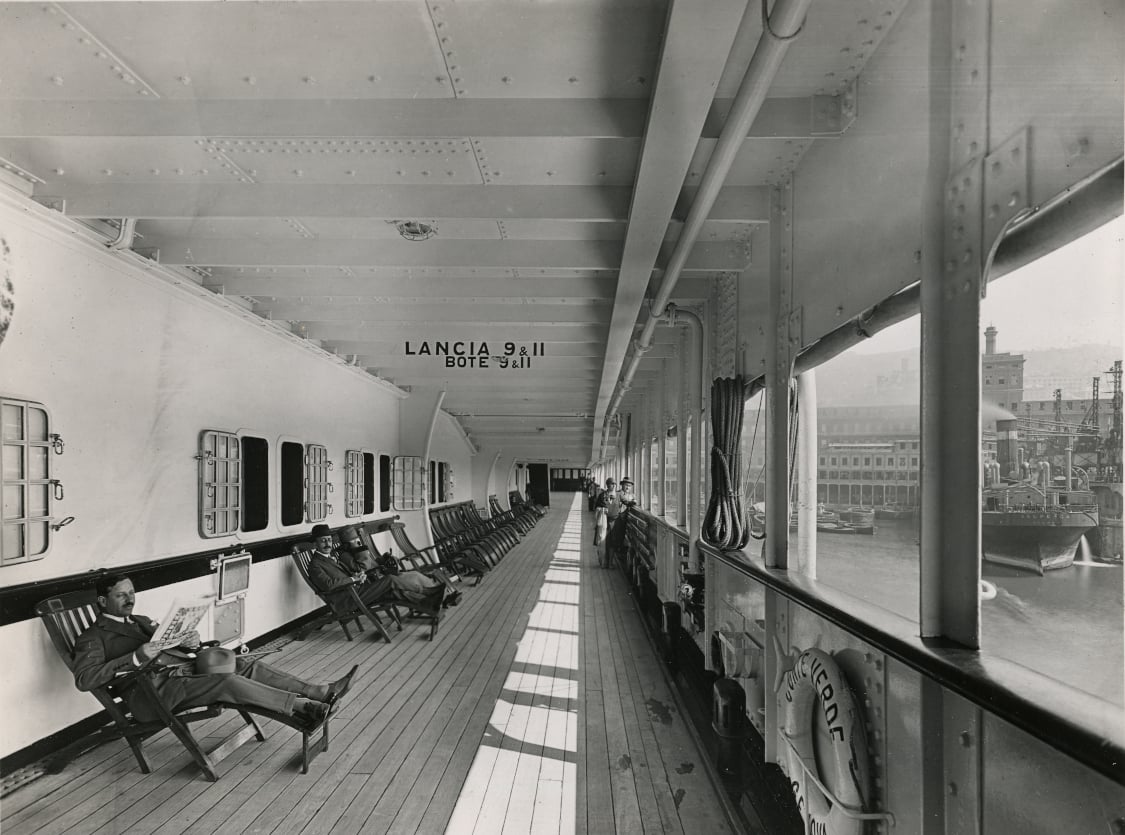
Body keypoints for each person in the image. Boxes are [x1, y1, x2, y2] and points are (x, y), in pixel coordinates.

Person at [73, 575, 355, 732]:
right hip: (152, 696)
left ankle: (317, 691)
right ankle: (302, 707)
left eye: (131, 592)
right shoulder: (93, 637)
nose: (130, 599)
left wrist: (190, 643)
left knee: (242, 664)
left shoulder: (142, 621)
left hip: (182, 676)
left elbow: (169, 646)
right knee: (225, 681)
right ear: (102, 601)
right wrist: (135, 657)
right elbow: (84, 679)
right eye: (121, 595)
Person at [307, 525, 448, 613]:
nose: (327, 543)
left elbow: (349, 573)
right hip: (347, 599)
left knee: (392, 591)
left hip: (358, 590)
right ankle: (428, 592)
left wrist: (358, 576)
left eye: (329, 539)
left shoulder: (330, 558)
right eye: (323, 540)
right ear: (315, 544)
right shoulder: (315, 565)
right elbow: (328, 585)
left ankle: (428, 603)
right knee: (390, 580)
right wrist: (352, 579)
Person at [337, 525, 460, 608]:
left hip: (383, 574)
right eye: (354, 541)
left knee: (416, 575)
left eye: (357, 539)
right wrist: (359, 549)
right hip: (377, 581)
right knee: (414, 578)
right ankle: (443, 597)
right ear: (348, 544)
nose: (358, 542)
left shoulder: (357, 551)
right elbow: (362, 568)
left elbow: (372, 563)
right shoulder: (345, 556)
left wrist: (383, 558)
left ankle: (444, 596)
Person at [606, 477, 636, 567]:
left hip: (623, 522)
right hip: (616, 520)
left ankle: (613, 560)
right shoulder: (618, 494)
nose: (627, 487)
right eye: (626, 485)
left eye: (629, 486)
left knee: (618, 541)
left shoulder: (632, 496)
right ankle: (610, 562)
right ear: (622, 485)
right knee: (612, 541)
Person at [593, 478, 618, 567]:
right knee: (602, 541)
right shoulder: (602, 495)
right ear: (607, 485)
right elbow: (596, 507)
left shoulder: (618, 495)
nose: (614, 486)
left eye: (614, 484)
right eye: (612, 484)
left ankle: (610, 563)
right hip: (603, 522)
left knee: (612, 543)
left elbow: (625, 502)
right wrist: (601, 509)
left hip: (613, 523)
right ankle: (603, 562)